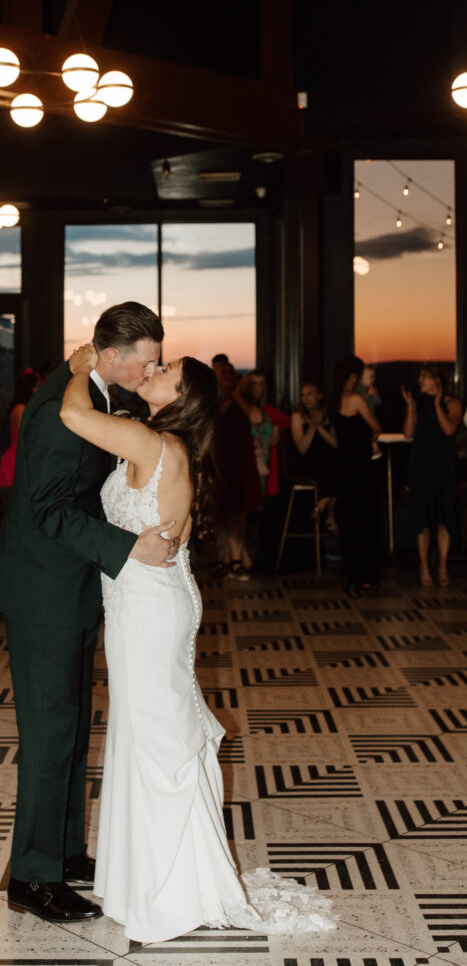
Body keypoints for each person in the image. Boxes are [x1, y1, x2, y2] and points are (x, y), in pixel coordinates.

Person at [60, 343, 337, 942]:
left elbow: (74, 418)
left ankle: (170, 891)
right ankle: (152, 877)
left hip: (149, 610)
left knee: (156, 744)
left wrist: (80, 367)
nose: (153, 372)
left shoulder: (154, 444)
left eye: (164, 372)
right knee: (150, 737)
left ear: (180, 398)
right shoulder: (168, 444)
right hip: (151, 603)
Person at [0, 302, 179, 925]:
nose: (151, 369)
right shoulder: (57, 413)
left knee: (69, 730)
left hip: (69, 590)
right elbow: (47, 508)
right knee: (48, 737)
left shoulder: (90, 391)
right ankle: (32, 877)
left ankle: (65, 851)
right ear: (111, 356)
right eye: (146, 360)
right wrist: (130, 549)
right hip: (43, 594)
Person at [402, 364, 462, 586]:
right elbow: (408, 433)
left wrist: (437, 405)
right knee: (422, 517)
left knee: (444, 516)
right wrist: (410, 407)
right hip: (420, 464)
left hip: (443, 465)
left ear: (437, 381)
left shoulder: (453, 404)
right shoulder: (416, 403)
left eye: (425, 377)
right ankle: (424, 568)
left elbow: (449, 430)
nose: (420, 381)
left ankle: (443, 567)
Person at [332, 355, 382, 594]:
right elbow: (377, 427)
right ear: (354, 376)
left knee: (350, 520)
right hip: (361, 467)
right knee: (366, 521)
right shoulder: (356, 399)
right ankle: (366, 575)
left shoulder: (335, 399)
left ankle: (350, 573)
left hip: (343, 465)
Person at [212, 361, 262, 580]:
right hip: (215, 464)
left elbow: (256, 418)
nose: (224, 377)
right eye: (219, 374)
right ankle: (219, 560)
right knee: (214, 516)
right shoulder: (208, 402)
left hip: (239, 464)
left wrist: (234, 393)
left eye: (227, 374)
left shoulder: (241, 401)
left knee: (237, 516)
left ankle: (236, 560)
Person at [290, 382, 339, 532]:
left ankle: (321, 506)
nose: (306, 398)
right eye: (303, 394)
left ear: (319, 396)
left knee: (339, 467)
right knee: (332, 470)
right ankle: (329, 516)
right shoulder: (298, 417)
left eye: (310, 393)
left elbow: (335, 443)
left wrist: (319, 426)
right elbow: (302, 448)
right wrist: (312, 426)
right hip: (306, 464)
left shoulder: (328, 415)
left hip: (328, 462)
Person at [0, 372, 40, 491]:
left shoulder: (20, 407)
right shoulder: (21, 409)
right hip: (17, 457)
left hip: (17, 455)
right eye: (37, 387)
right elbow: (24, 434)